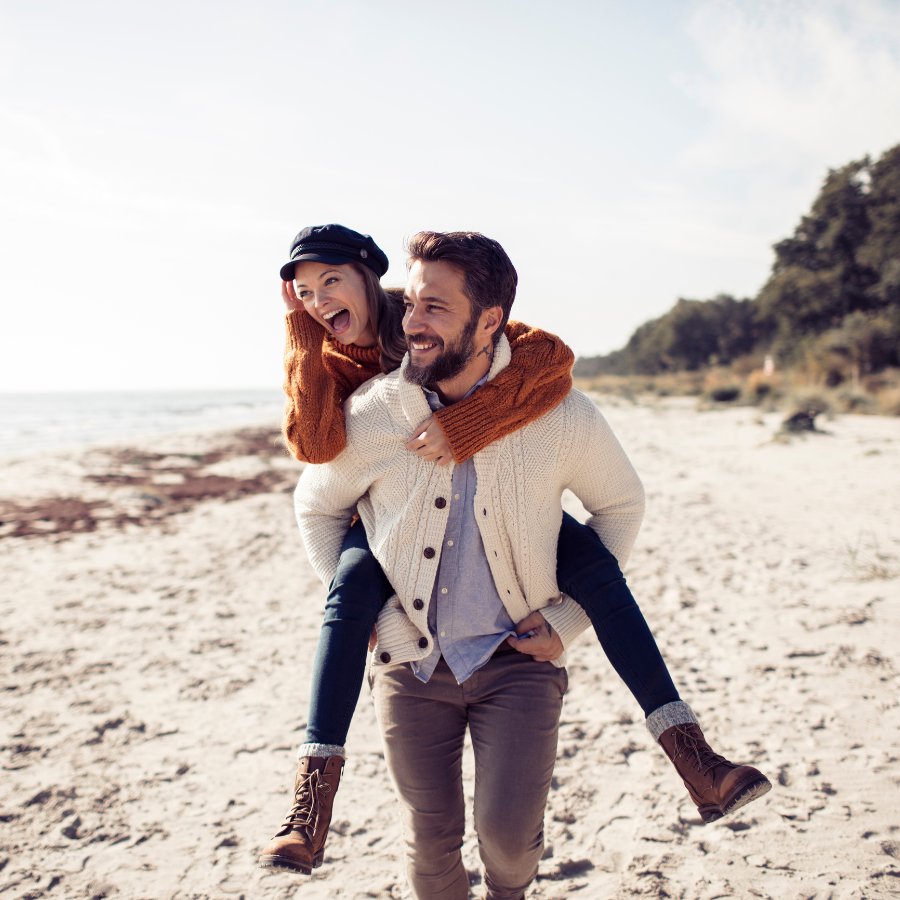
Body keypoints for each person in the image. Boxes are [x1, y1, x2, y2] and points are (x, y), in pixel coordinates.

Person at [258, 226, 771, 878]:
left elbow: (606, 471)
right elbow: (313, 479)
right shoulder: (371, 399)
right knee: (429, 843)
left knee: (508, 841)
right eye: (412, 304)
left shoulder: (544, 399)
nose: (414, 321)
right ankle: (310, 800)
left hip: (516, 658)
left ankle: (693, 754)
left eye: (434, 307)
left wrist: (563, 623)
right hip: (411, 651)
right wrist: (383, 621)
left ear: (489, 318)